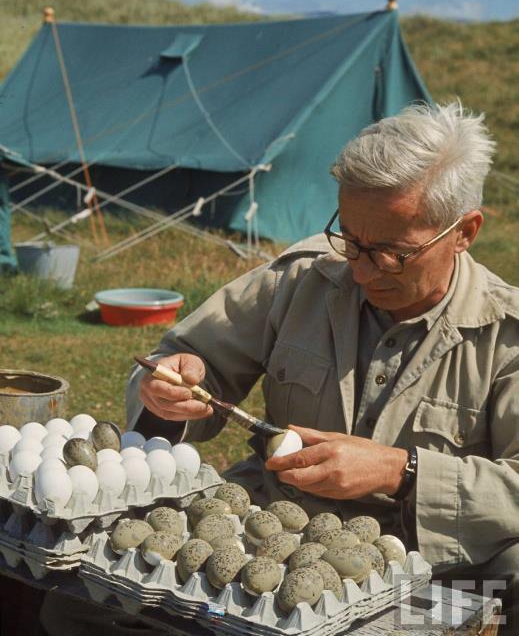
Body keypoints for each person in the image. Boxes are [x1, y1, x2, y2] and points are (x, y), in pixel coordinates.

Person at [40, 101, 518, 634]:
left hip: (427, 563)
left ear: (465, 231)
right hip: (265, 534)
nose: (359, 269)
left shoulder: (507, 338)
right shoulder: (302, 278)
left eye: (390, 253)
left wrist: (402, 473)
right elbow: (190, 362)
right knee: (79, 606)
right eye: (351, 239)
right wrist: (167, 393)